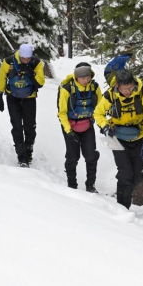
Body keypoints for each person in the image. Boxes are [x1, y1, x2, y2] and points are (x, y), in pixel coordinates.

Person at [94, 69, 143, 209]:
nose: (128, 91)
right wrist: (104, 127)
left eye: (130, 87)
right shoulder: (110, 95)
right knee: (125, 172)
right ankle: (123, 207)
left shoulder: (142, 92)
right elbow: (98, 113)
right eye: (124, 89)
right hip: (117, 137)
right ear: (117, 86)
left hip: (138, 136)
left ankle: (123, 199)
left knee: (136, 174)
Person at [0, 44, 45, 167]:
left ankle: (28, 151)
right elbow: (2, 78)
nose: (26, 61)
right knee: (17, 127)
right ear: (20, 55)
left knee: (30, 127)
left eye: (28, 58)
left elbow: (40, 83)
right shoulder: (8, 61)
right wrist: (0, 95)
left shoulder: (36, 63)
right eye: (24, 59)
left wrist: (30, 72)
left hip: (29, 98)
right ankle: (21, 156)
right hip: (13, 98)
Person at [57, 62, 102, 192]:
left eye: (88, 77)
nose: (86, 80)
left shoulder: (94, 87)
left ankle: (90, 186)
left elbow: (100, 107)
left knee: (91, 156)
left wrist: (101, 124)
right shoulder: (67, 89)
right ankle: (72, 185)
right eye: (83, 78)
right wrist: (68, 130)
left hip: (87, 125)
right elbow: (62, 113)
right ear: (76, 77)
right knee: (72, 157)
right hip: (71, 127)